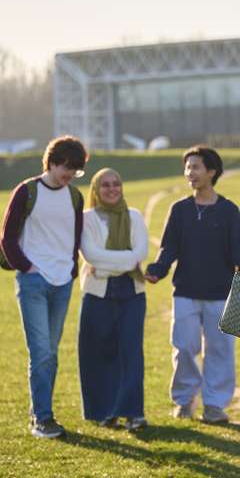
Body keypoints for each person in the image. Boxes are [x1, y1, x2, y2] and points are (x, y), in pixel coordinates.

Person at [145, 146, 240, 423]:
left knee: (220, 351)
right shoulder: (179, 210)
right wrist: (157, 270)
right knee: (185, 348)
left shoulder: (228, 211)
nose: (190, 173)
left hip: (219, 296)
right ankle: (184, 400)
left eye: (196, 167)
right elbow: (169, 249)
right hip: (186, 293)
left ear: (211, 172)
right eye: (188, 167)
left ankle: (214, 405)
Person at [0, 135, 88, 438]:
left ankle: (41, 412)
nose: (69, 174)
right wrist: (28, 268)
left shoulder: (75, 197)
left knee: (51, 352)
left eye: (75, 169)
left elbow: (74, 237)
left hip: (62, 283)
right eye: (66, 166)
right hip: (34, 282)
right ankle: (42, 418)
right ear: (51, 161)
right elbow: (7, 238)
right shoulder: (27, 191)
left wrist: (72, 269)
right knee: (42, 352)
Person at [78, 168, 149, 431]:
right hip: (97, 293)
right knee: (97, 352)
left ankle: (133, 413)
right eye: (105, 185)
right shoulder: (86, 218)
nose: (111, 189)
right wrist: (125, 260)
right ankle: (103, 411)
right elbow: (91, 256)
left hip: (132, 292)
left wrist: (111, 264)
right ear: (96, 189)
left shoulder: (134, 216)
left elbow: (140, 252)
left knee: (130, 353)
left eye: (116, 184)